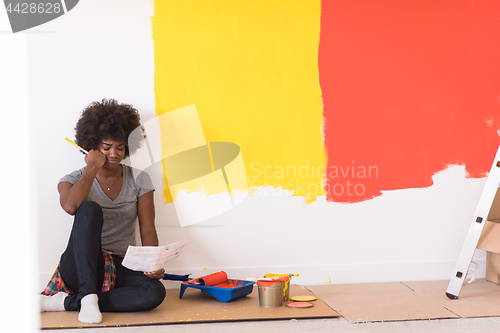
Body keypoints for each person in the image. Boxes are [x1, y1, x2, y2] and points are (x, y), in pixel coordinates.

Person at [40, 99, 166, 324]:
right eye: (107, 147)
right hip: (81, 265)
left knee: (155, 292)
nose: (114, 154)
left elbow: (147, 227)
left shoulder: (140, 179)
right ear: (92, 147)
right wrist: (92, 168)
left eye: (120, 147)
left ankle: (67, 302)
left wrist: (152, 262)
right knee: (88, 209)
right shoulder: (73, 179)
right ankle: (87, 295)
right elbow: (70, 207)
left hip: (120, 264)